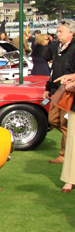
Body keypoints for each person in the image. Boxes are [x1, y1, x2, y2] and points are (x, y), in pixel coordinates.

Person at [46, 24, 75, 164]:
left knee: (65, 124)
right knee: (53, 120)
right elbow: (53, 70)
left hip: (69, 90)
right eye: (57, 31)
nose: (57, 34)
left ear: (71, 33)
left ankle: (64, 154)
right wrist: (48, 87)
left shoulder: (73, 48)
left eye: (60, 32)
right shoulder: (58, 48)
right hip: (57, 89)